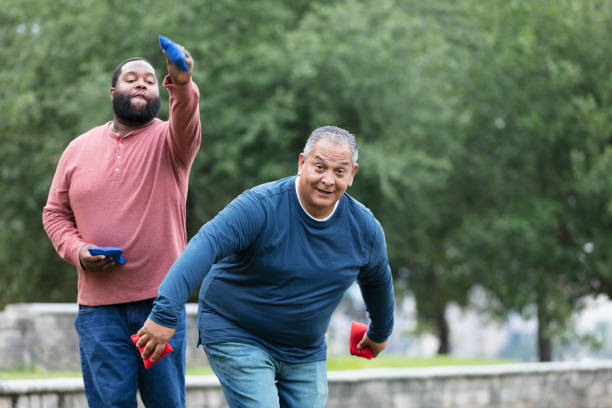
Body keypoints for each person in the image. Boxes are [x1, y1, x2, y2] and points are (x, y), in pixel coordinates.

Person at [137, 126, 394, 407]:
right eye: (319, 167)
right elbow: (203, 248)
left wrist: (380, 332)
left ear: (352, 175)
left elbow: (378, 281)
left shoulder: (364, 229)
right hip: (236, 330)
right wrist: (164, 313)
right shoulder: (259, 206)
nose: (328, 180)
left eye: (339, 171)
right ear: (302, 163)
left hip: (304, 350)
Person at [42, 40, 201, 408]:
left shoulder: (172, 142)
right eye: (132, 79)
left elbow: (187, 113)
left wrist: (182, 81)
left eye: (149, 79)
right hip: (99, 311)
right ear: (113, 93)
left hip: (160, 307)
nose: (142, 84)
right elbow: (54, 214)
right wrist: (78, 252)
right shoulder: (77, 149)